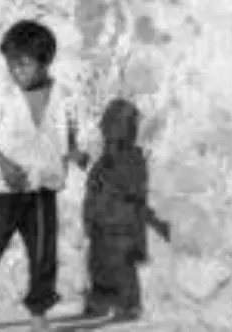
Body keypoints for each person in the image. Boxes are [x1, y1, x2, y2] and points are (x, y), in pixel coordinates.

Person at [0, 20, 89, 332]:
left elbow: (68, 135)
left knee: (43, 256)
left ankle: (39, 315)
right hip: (6, 189)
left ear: (45, 62)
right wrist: (4, 165)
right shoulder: (1, 94)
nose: (16, 71)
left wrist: (76, 154)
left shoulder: (63, 97)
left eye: (24, 65)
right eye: (11, 64)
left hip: (43, 187)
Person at [82, 98, 169, 322]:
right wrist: (89, 216)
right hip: (101, 224)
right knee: (98, 265)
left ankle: (129, 305)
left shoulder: (133, 159)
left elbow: (134, 192)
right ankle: (100, 301)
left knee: (122, 267)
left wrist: (154, 222)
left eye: (113, 125)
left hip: (122, 226)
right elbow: (92, 189)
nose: (106, 131)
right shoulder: (104, 160)